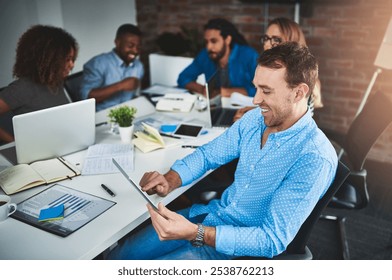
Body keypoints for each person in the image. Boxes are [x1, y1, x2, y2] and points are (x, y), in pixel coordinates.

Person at [107, 42, 338, 260]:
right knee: (121, 256)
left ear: (299, 93)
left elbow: (271, 239)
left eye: (266, 91)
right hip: (211, 216)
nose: (256, 100)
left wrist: (196, 233)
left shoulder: (314, 158)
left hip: (234, 252)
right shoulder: (254, 120)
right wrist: (170, 179)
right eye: (256, 88)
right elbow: (208, 155)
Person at [233, 17, 323, 122]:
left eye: (276, 39)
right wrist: (254, 111)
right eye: (266, 38)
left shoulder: (300, 77)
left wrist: (249, 119)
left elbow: (288, 119)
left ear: (292, 43)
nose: (267, 44)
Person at [0, 25, 78, 142]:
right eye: (67, 59)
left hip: (62, 143)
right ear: (49, 59)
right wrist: (14, 144)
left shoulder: (56, 82)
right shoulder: (21, 88)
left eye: (73, 59)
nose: (72, 65)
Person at [177, 18, 259, 98]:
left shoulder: (249, 55)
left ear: (227, 40)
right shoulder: (205, 55)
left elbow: (261, 88)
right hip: (214, 107)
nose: (208, 47)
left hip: (244, 108)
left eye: (214, 41)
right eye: (206, 42)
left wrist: (226, 92)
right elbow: (183, 77)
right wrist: (202, 89)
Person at [80, 24, 144, 112]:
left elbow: (135, 95)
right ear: (117, 42)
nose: (135, 51)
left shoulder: (138, 65)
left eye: (138, 47)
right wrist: (121, 85)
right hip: (104, 115)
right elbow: (86, 98)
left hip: (129, 112)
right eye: (130, 46)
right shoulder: (97, 63)